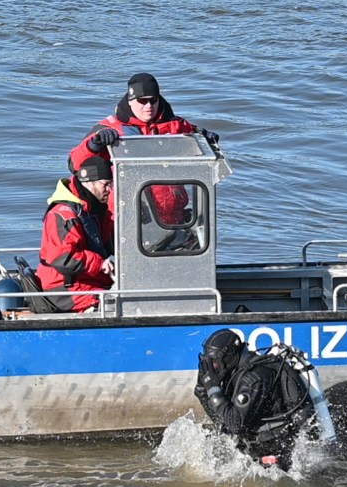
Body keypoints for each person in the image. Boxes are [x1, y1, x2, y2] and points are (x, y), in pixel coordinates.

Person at [67, 73, 220, 225]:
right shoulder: (110, 128)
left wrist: (206, 139)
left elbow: (197, 138)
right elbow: (75, 165)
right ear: (131, 100)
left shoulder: (176, 125)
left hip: (174, 215)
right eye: (143, 101)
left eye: (153, 100)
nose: (149, 106)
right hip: (130, 214)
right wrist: (94, 145)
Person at [194, 329, 316, 470]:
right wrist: (203, 389)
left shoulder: (253, 379)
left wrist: (213, 391)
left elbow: (234, 424)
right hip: (254, 445)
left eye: (214, 362)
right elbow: (223, 421)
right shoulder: (235, 373)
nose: (212, 367)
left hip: (275, 448)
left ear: (229, 356)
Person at [36, 155, 116, 313]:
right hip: (65, 287)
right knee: (117, 304)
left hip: (87, 280)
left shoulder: (95, 211)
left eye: (111, 185)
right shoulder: (64, 214)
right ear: (88, 183)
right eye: (105, 185)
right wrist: (100, 263)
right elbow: (62, 256)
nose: (109, 190)